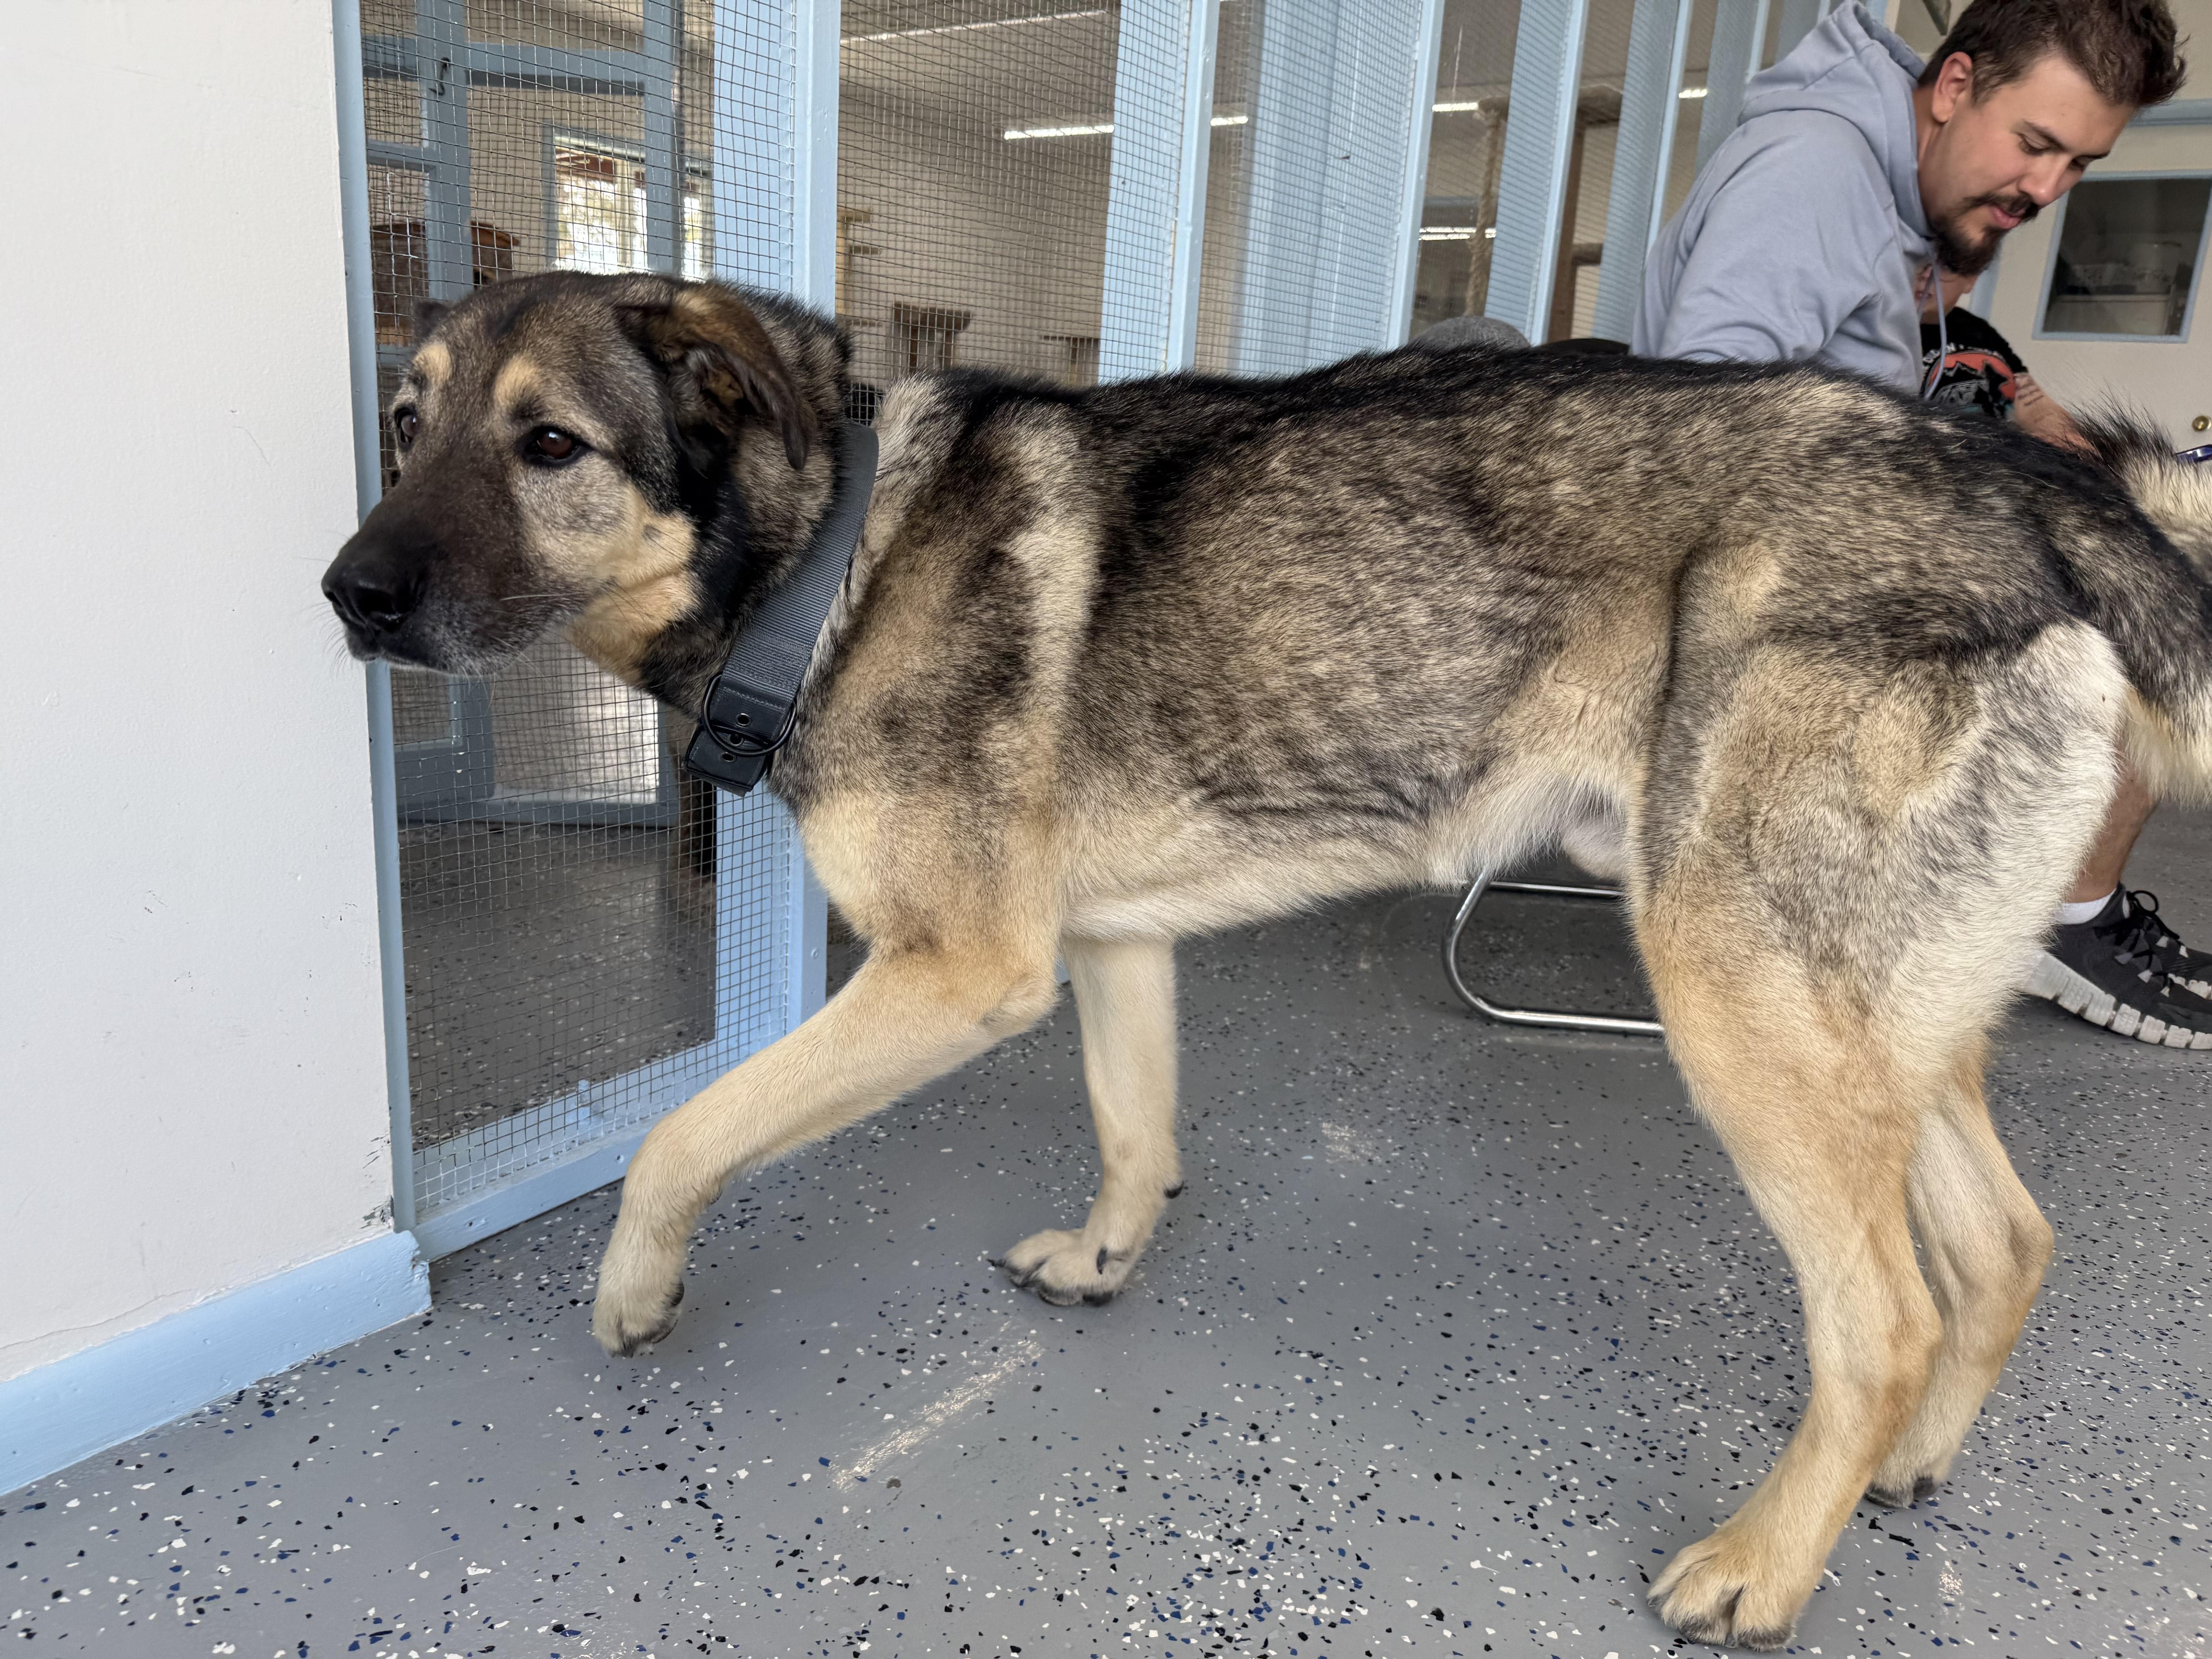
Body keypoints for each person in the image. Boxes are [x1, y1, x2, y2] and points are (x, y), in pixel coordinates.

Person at [1633, 0, 2209, 1045]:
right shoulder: (1813, 178)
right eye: (2036, 144)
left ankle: (2059, 907)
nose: (2045, 189)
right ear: (1953, 88)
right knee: (2153, 581)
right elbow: (1702, 448)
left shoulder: (1875, 195)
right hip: (1749, 645)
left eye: (2078, 165)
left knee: (2144, 543)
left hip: (1816, 601)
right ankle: (2058, 915)